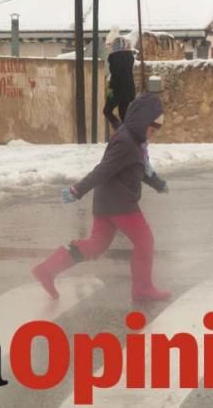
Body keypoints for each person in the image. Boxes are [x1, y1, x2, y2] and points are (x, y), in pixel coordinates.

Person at [32, 93, 171, 302]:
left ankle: (47, 270)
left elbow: (138, 168)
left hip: (107, 203)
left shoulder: (133, 139)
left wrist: (157, 183)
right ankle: (142, 289)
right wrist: (77, 190)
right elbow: (103, 170)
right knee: (145, 241)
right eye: (151, 129)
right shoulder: (126, 142)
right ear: (143, 121)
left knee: (97, 245)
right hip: (121, 204)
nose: (152, 135)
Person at [103, 35, 136, 130]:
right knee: (124, 116)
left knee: (107, 111)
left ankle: (120, 130)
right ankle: (129, 135)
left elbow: (115, 76)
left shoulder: (115, 58)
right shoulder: (130, 58)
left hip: (116, 90)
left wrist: (110, 91)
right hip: (129, 90)